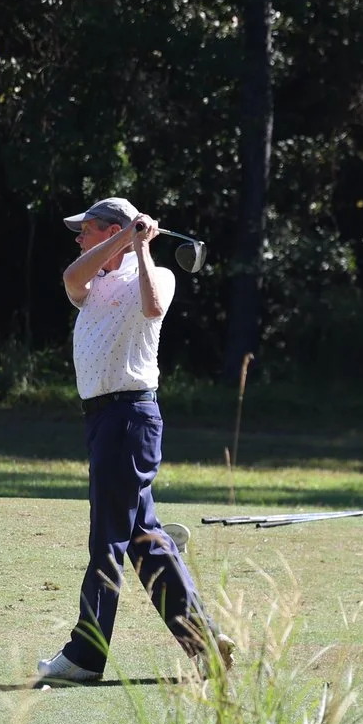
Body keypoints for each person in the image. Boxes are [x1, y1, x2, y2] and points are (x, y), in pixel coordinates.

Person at [35, 197, 226, 683]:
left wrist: (140, 247)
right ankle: (203, 642)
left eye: (88, 230)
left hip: (129, 414)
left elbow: (152, 306)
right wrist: (126, 236)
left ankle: (84, 656)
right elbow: (69, 279)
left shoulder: (158, 274)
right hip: (104, 419)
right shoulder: (92, 283)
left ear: (109, 228)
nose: (80, 237)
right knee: (143, 538)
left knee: (109, 539)